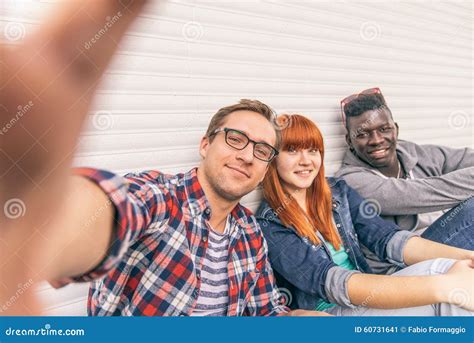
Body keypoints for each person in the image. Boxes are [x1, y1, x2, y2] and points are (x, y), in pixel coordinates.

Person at [0, 1, 325, 316]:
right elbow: (101, 215)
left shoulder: (250, 233)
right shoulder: (159, 199)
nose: (246, 156)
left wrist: (297, 321)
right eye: (235, 138)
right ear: (205, 145)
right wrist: (28, 219)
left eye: (262, 150)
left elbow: (265, 314)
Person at [256, 114, 474, 316]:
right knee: (445, 281)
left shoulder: (337, 191)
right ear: (273, 157)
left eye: (313, 150)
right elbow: (331, 282)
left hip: (370, 290)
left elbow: (387, 239)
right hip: (335, 311)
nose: (306, 161)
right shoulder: (269, 222)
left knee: (453, 269)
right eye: (292, 150)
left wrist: (467, 257)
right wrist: (439, 286)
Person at [335, 87, 473, 273]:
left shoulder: (414, 153)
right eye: (362, 134)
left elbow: (465, 157)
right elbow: (425, 193)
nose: (376, 140)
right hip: (400, 266)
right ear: (349, 141)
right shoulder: (351, 180)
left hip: (439, 244)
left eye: (384, 129)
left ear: (396, 130)